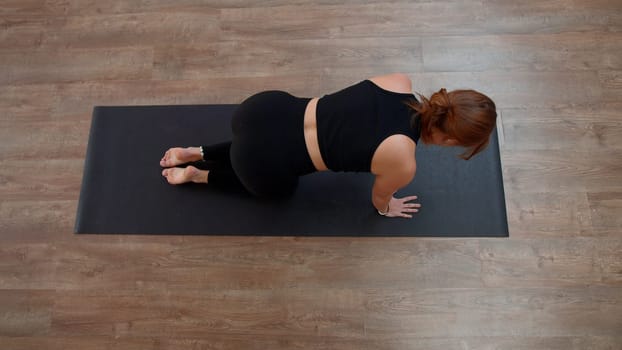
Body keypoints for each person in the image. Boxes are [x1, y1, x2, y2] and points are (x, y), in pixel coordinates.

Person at [160, 73, 497, 218]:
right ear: (450, 140)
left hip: (262, 108)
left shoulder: (398, 82)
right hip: (261, 161)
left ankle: (196, 151)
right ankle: (197, 175)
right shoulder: (403, 160)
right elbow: (379, 199)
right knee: (275, 189)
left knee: (259, 141)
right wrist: (386, 207)